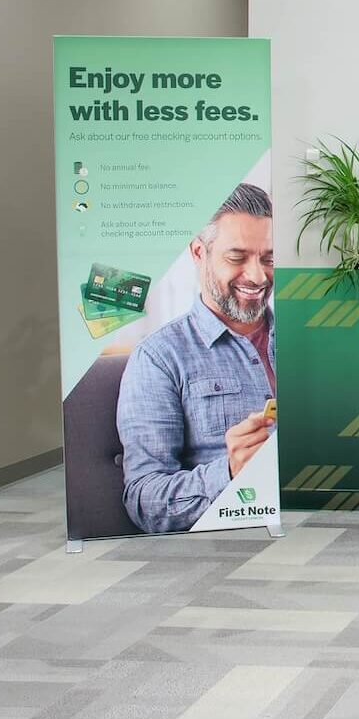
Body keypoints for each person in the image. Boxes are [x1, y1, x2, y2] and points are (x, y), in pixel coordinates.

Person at [117, 183, 276, 533]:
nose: (257, 276)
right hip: (234, 540)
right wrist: (229, 472)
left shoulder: (305, 337)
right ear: (199, 252)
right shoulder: (159, 357)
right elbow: (145, 500)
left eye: (268, 258)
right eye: (237, 258)